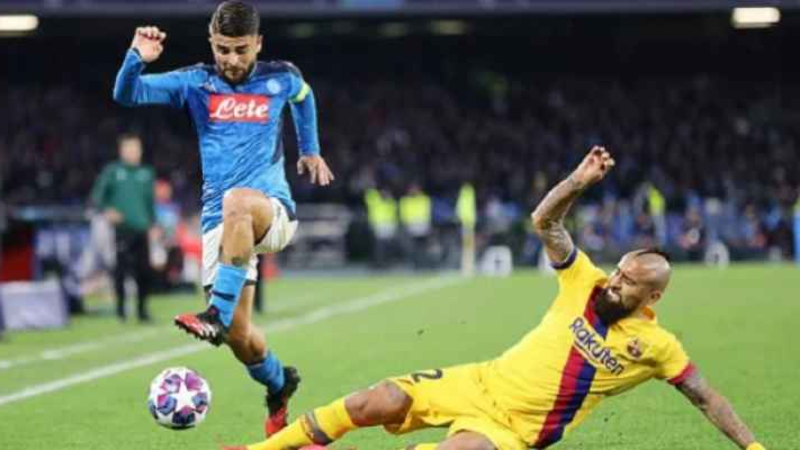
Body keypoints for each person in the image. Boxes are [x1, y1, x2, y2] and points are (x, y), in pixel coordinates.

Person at [225, 147, 766, 450]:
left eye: (628, 282)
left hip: (510, 431)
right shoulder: (585, 281)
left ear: (653, 296)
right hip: (480, 380)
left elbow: (707, 398)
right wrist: (577, 181)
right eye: (619, 270)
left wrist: (754, 447)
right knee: (376, 400)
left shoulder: (656, 346)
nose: (615, 282)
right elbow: (545, 222)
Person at [112, 0, 334, 436]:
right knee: (240, 336)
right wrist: (136, 56)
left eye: (241, 49)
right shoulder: (196, 82)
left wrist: (310, 149)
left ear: (258, 44)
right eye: (222, 49)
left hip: (271, 211)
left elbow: (303, 96)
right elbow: (127, 94)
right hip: (221, 223)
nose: (231, 59)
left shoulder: (280, 77)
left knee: (238, 202)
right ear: (211, 43)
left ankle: (215, 313)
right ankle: (279, 382)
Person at [90, 133, 155, 323]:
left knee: (144, 271)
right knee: (121, 271)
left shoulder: (147, 172)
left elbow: (150, 203)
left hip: (142, 229)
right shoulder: (112, 171)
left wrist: (153, 223)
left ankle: (142, 311)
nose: (133, 152)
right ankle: (121, 311)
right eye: (129, 148)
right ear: (121, 151)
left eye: (136, 148)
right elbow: (97, 197)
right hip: (121, 230)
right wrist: (107, 210)